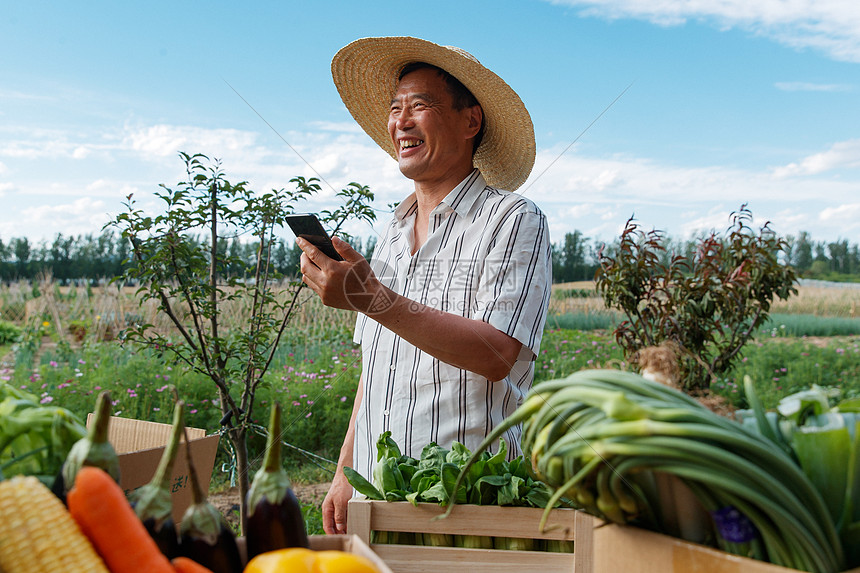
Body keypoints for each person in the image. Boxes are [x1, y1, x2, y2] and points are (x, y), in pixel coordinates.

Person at [296, 36, 552, 535]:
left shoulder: (512, 220)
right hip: (377, 495)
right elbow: (377, 371)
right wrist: (345, 473)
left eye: (420, 106)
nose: (401, 122)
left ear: (470, 121)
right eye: (396, 109)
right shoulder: (391, 233)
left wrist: (373, 299)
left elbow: (497, 354)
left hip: (468, 499)